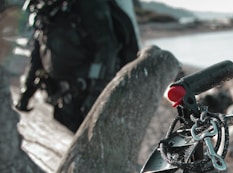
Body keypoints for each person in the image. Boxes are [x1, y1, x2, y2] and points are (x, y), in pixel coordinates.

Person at [14, 0, 139, 132]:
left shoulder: (89, 5)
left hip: (83, 96)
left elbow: (106, 49)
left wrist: (95, 98)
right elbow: (39, 50)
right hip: (61, 97)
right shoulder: (45, 9)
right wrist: (26, 92)